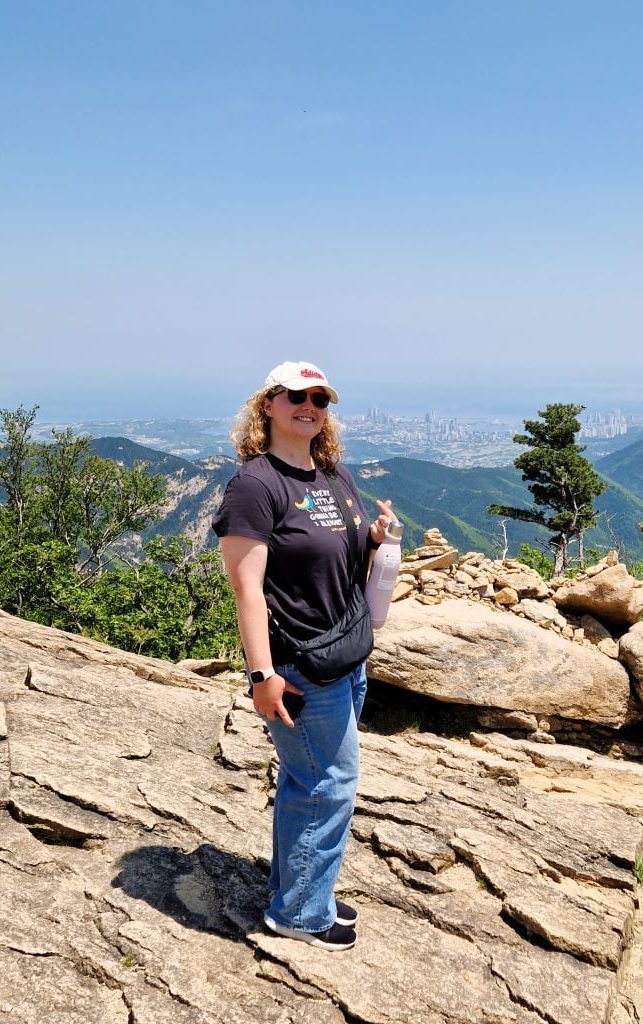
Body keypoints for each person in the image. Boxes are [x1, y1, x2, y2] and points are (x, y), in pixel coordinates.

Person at [213, 360, 394, 952]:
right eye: (295, 395)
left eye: (318, 398)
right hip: (300, 668)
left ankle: (303, 891)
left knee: (311, 781)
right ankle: (298, 913)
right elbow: (247, 589)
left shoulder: (331, 475)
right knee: (327, 784)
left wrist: (373, 539)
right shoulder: (256, 485)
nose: (308, 406)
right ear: (267, 404)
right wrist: (262, 673)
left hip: (348, 657)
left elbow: (336, 554)